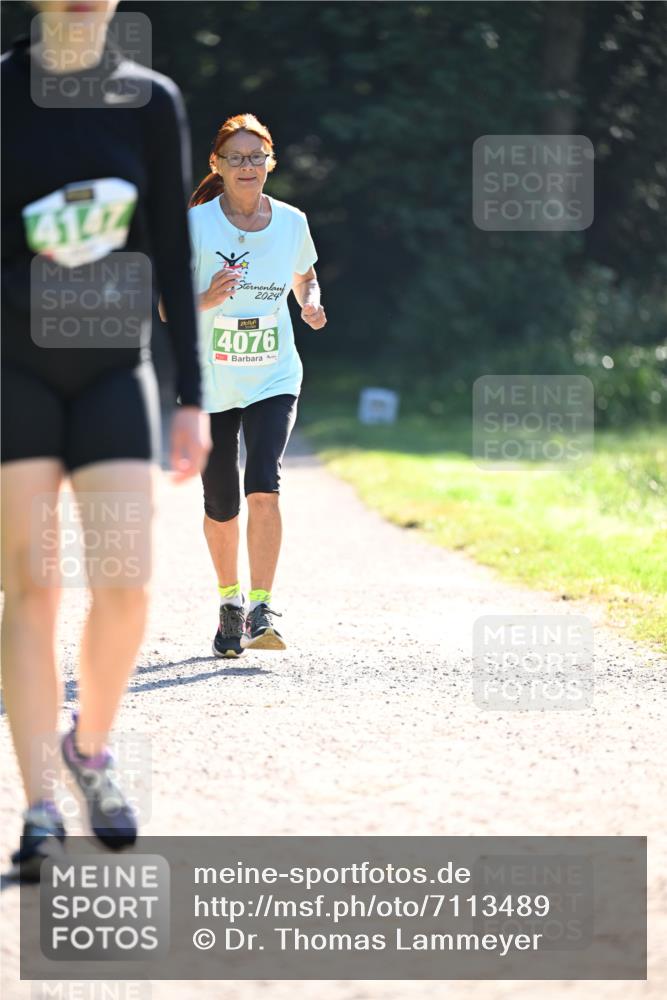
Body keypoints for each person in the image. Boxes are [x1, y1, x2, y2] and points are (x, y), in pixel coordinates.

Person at [1, 0, 209, 879]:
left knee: (126, 586)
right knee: (33, 588)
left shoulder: (151, 100)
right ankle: (41, 805)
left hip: (114, 371)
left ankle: (91, 750)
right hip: (13, 368)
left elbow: (172, 250)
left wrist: (193, 395)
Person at [186, 113, 326, 657]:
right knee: (221, 501)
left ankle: (262, 607)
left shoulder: (292, 221)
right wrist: (206, 300)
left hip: (273, 372)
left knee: (263, 484)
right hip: (209, 378)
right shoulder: (195, 226)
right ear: (216, 166)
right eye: (235, 158)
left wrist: (310, 301)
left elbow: (304, 273)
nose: (247, 167)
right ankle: (230, 602)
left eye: (256, 157)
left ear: (271, 162)